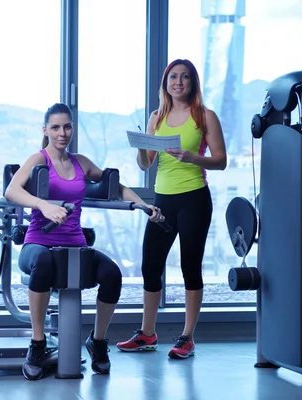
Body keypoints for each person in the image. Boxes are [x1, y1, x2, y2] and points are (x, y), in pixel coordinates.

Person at [4, 102, 165, 380]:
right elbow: (11, 191)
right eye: (55, 127)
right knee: (42, 262)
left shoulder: (81, 163)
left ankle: (98, 341)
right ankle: (38, 343)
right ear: (46, 130)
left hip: (75, 244)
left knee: (112, 274)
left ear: (72, 129)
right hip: (37, 244)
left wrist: (142, 205)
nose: (61, 133)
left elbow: (116, 187)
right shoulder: (38, 159)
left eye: (66, 126)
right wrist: (43, 205)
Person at [116, 59, 227, 359]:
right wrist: (142, 146)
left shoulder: (205, 116)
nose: (178, 82)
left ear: (193, 83)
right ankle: (147, 334)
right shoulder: (156, 117)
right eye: (173, 77)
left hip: (194, 199)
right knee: (150, 266)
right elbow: (146, 163)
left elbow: (221, 161)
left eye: (185, 77)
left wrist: (192, 157)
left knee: (190, 267)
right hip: (162, 201)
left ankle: (187, 338)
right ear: (165, 82)